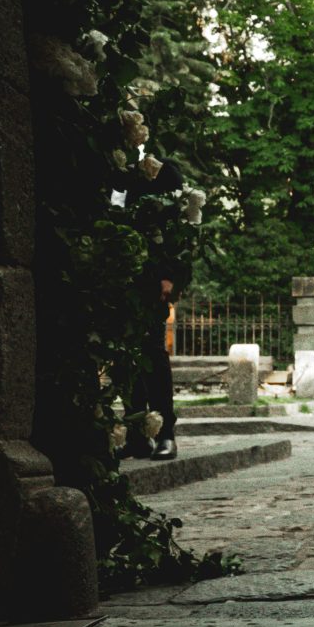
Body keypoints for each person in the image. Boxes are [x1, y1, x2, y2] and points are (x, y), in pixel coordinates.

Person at [115, 158, 187, 461]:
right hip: (120, 275)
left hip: (152, 280)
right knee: (124, 356)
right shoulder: (117, 168)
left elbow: (178, 229)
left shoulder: (164, 170)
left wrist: (169, 275)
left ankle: (164, 433)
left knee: (153, 355)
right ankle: (136, 434)